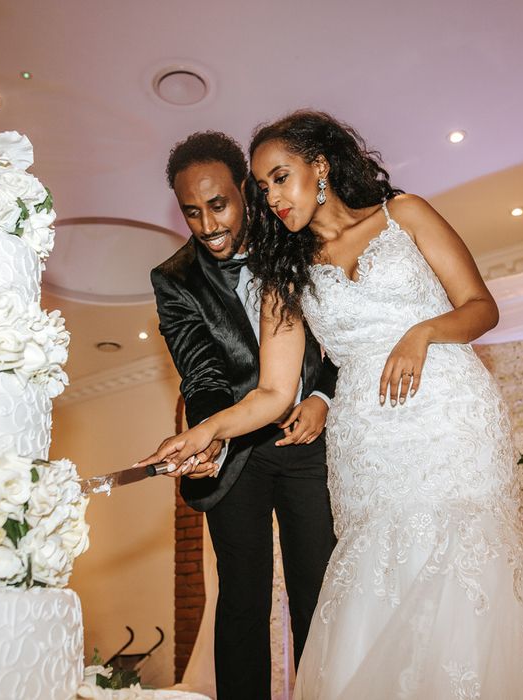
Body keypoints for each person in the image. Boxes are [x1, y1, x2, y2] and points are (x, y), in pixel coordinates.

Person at [141, 111, 523, 699]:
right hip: (367, 440)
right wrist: (204, 434)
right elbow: (272, 393)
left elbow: (481, 307)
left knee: (462, 565)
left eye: (279, 177)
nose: (269, 196)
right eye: (263, 185)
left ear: (319, 166)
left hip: (449, 414)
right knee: (380, 577)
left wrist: (420, 333)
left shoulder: (405, 214)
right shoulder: (285, 272)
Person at [150, 131, 338, 699]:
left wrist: (322, 398)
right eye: (192, 212)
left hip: (306, 443)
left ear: (245, 193)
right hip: (235, 453)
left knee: (318, 592)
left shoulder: (297, 240)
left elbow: (342, 339)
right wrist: (210, 438)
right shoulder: (173, 279)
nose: (207, 224)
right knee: (242, 599)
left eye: (219, 204)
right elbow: (202, 374)